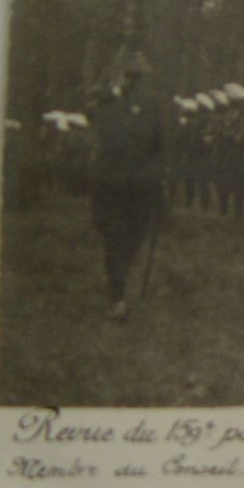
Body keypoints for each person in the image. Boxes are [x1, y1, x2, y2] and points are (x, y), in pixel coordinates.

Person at [87, 51, 166, 320]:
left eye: (138, 76)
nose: (134, 81)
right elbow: (98, 126)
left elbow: (161, 144)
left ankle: (121, 279)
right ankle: (117, 294)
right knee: (114, 238)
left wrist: (159, 174)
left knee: (133, 238)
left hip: (141, 186)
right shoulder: (108, 105)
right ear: (123, 78)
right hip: (111, 183)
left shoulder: (154, 107)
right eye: (130, 76)